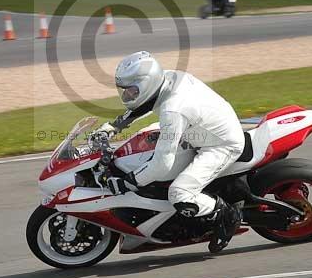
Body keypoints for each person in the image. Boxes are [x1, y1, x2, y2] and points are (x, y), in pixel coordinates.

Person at [94, 51, 245, 253]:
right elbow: (148, 102)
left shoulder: (172, 110)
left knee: (179, 193)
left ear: (146, 83)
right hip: (200, 131)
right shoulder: (170, 78)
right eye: (125, 90)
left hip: (220, 145)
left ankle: (226, 215)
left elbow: (161, 164)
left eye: (131, 90)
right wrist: (114, 127)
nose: (127, 95)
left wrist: (128, 182)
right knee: (145, 143)